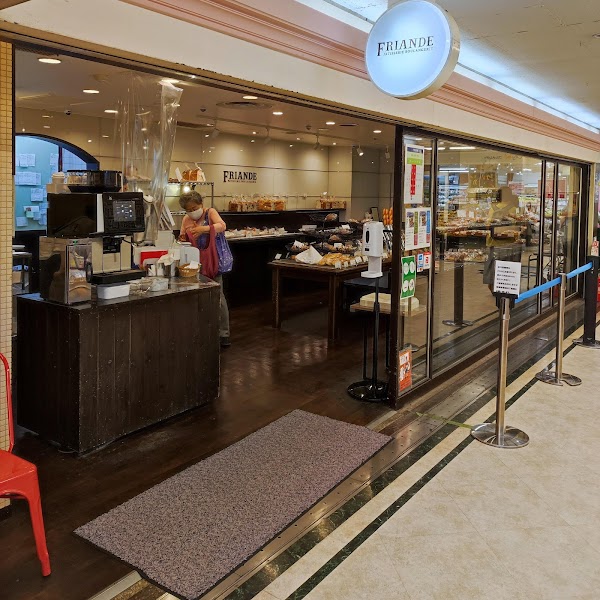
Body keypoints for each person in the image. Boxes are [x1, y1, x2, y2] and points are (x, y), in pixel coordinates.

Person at [179, 191, 231, 348]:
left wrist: (203, 229)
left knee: (218, 297)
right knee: (198, 298)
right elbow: (182, 237)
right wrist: (184, 238)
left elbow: (222, 226)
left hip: (213, 261)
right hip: (195, 264)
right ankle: (203, 331)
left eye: (195, 208)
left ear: (201, 204)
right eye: (188, 210)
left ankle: (223, 334)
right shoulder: (186, 219)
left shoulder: (210, 212)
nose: (192, 212)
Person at [482, 186, 522, 291]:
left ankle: (492, 285)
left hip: (493, 241)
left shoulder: (493, 207)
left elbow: (488, 224)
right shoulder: (514, 208)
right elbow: (519, 225)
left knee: (493, 265)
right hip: (510, 242)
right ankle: (507, 287)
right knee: (508, 266)